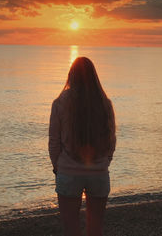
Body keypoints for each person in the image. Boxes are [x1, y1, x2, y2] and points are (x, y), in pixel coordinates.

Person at [49, 57, 116, 236]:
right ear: (95, 76)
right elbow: (111, 139)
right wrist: (105, 162)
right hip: (99, 172)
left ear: (71, 75)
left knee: (71, 229)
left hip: (69, 173)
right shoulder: (105, 104)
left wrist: (58, 167)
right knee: (95, 229)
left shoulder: (60, 102)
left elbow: (54, 142)